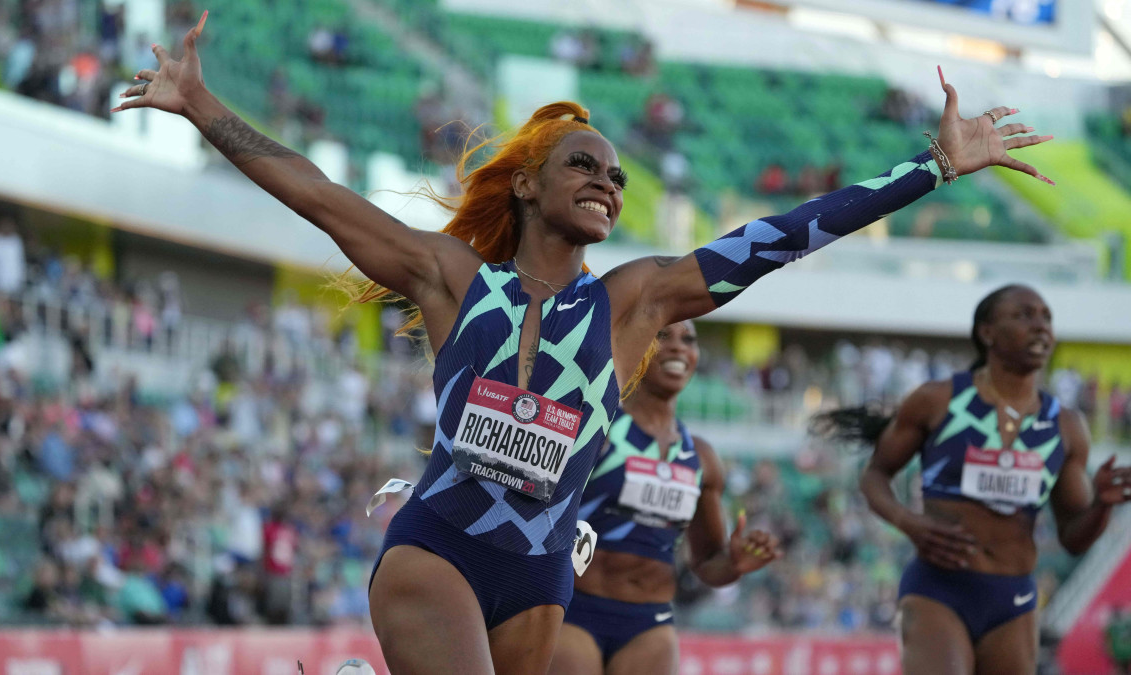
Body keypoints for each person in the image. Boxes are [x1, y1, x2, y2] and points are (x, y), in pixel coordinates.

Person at [115, 14, 1054, 674]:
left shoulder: (635, 299)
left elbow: (775, 238)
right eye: (583, 166)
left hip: (540, 574)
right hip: (437, 545)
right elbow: (319, 195)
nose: (606, 182)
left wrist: (928, 170)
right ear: (526, 185)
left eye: (616, 174)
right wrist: (203, 108)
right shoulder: (452, 278)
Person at [813, 285, 1131, 675]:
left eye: (1046, 318)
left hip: (1013, 599)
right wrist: (909, 523)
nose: (1040, 327)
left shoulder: (1067, 426)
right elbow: (875, 475)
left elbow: (1072, 537)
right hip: (939, 590)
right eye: (1024, 315)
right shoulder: (938, 400)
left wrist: (1101, 505)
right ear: (987, 332)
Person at [549, 320, 781, 675]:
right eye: (662, 336)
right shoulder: (597, 429)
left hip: (649, 623)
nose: (677, 347)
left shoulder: (701, 457)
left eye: (688, 339)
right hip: (574, 610)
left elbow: (707, 562)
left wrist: (733, 564)